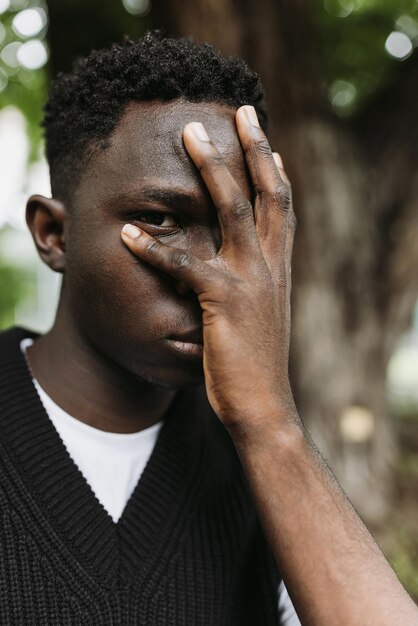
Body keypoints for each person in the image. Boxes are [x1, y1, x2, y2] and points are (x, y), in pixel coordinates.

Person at [0, 31, 416, 625]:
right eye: (160, 220)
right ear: (53, 234)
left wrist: (269, 425)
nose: (211, 276)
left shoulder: (268, 467)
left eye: (232, 230)